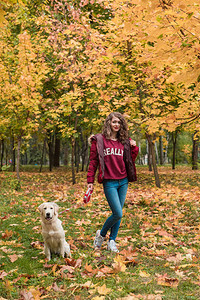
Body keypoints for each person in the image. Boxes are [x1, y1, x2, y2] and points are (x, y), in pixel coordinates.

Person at [87, 112, 139, 253]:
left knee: (118, 212)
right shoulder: (99, 140)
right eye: (114, 122)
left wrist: (134, 147)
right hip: (109, 182)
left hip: (123, 181)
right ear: (109, 123)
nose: (117, 125)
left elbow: (130, 160)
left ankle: (112, 241)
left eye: (119, 122)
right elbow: (93, 161)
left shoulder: (124, 141)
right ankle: (102, 235)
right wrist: (90, 180)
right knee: (118, 213)